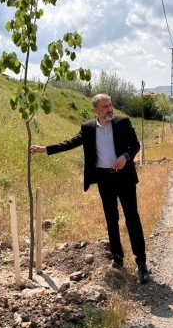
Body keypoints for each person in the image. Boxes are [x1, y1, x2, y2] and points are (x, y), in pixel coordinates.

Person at [30, 94, 150, 284]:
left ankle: (141, 263)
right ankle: (117, 258)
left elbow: (135, 145)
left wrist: (126, 157)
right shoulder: (88, 128)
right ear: (96, 110)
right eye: (105, 107)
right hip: (104, 178)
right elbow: (70, 143)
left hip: (125, 177)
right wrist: (45, 149)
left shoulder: (122, 122)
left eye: (110, 105)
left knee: (132, 218)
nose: (110, 109)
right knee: (111, 219)